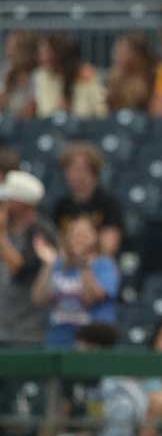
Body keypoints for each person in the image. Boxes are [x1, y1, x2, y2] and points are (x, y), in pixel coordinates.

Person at [31, 215, 120, 349]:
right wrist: (49, 265)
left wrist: (84, 265)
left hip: (90, 343)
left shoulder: (105, 265)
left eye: (84, 233)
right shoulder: (57, 264)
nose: (79, 238)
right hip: (57, 340)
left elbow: (92, 297)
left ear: (95, 237)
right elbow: (38, 299)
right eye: (74, 233)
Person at [0, 170, 54, 346]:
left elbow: (20, 270)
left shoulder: (40, 233)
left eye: (8, 200)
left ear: (21, 203)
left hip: (25, 333)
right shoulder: (7, 228)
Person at [53, 142, 125, 258]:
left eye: (80, 169)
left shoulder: (108, 203)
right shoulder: (62, 205)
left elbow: (110, 246)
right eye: (70, 170)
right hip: (68, 265)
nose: (74, 175)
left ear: (94, 172)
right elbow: (56, 243)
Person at [33, 33, 107, 119]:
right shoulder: (41, 76)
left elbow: (101, 112)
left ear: (58, 55)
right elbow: (44, 112)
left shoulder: (87, 77)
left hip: (85, 129)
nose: (40, 58)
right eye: (41, 53)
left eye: (45, 52)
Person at [106, 33, 156, 112]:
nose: (117, 55)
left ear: (136, 54)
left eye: (123, 52)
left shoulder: (148, 75)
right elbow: (109, 104)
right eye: (117, 51)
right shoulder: (116, 74)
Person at [0, 30, 38, 119]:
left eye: (12, 47)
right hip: (8, 120)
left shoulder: (36, 73)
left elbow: (32, 108)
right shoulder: (6, 68)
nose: (8, 50)